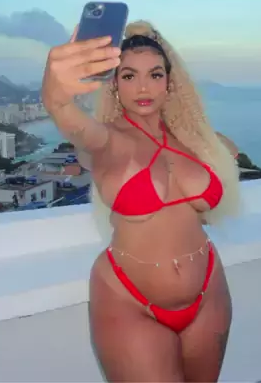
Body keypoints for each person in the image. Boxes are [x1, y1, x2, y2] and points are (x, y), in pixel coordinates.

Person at [42, 20, 241, 382]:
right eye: (129, 76)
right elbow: (65, 114)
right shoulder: (106, 140)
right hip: (129, 299)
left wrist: (210, 148)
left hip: (208, 287)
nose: (144, 87)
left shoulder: (193, 141)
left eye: (155, 74)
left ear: (170, 83)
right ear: (115, 85)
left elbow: (229, 154)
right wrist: (55, 91)